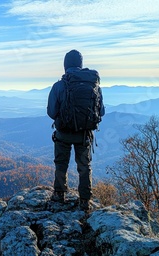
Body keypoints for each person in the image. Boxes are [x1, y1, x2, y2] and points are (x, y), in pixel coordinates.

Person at [47, 50, 105, 211]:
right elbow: (101, 112)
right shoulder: (94, 85)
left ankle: (59, 194)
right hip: (84, 134)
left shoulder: (59, 85)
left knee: (61, 164)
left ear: (65, 65)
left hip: (63, 133)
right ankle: (85, 200)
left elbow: (51, 112)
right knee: (84, 166)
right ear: (80, 64)